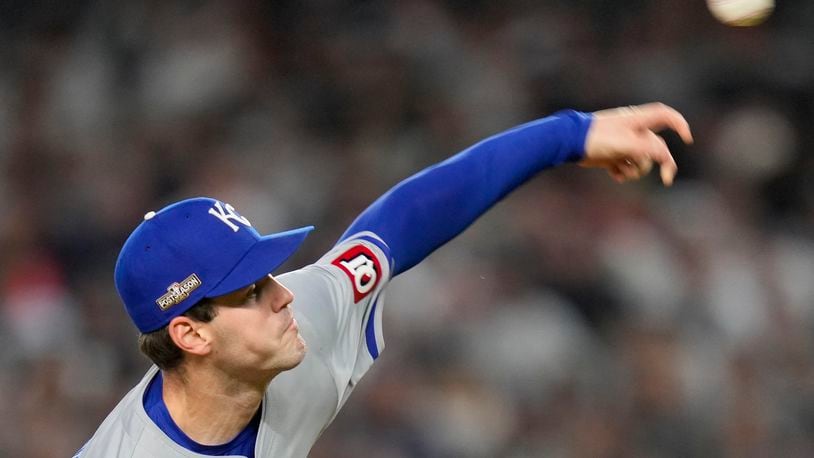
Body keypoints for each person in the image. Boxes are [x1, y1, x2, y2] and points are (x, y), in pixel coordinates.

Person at [75, 103, 692, 457]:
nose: (284, 292)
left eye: (269, 275)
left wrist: (568, 134)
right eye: (252, 291)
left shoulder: (299, 323)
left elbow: (401, 224)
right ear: (190, 334)